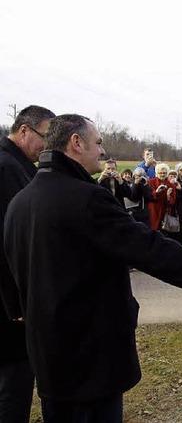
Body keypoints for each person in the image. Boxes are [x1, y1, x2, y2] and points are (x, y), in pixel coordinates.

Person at [2, 114, 182, 422]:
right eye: (97, 143)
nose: (101, 151)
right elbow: (152, 250)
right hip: (91, 358)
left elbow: (10, 265)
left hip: (48, 355)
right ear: (76, 143)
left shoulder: (21, 199)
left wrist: (15, 306)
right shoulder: (86, 200)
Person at [0, 105, 55, 423]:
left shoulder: (18, 165)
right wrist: (16, 302)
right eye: (45, 137)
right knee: (14, 383)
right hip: (10, 306)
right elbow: (6, 242)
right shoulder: (7, 168)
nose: (48, 146)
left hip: (14, 299)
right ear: (24, 131)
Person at [147, 163, 177, 231]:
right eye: (160, 173)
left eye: (164, 173)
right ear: (157, 173)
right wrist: (156, 192)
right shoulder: (151, 182)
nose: (162, 174)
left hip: (165, 213)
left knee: (164, 235)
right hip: (153, 212)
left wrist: (168, 196)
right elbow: (149, 197)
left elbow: (172, 202)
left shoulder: (171, 185)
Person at [166, 169, 182, 245]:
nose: (173, 178)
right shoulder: (165, 186)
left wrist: (180, 189)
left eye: (174, 176)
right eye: (171, 176)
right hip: (170, 214)